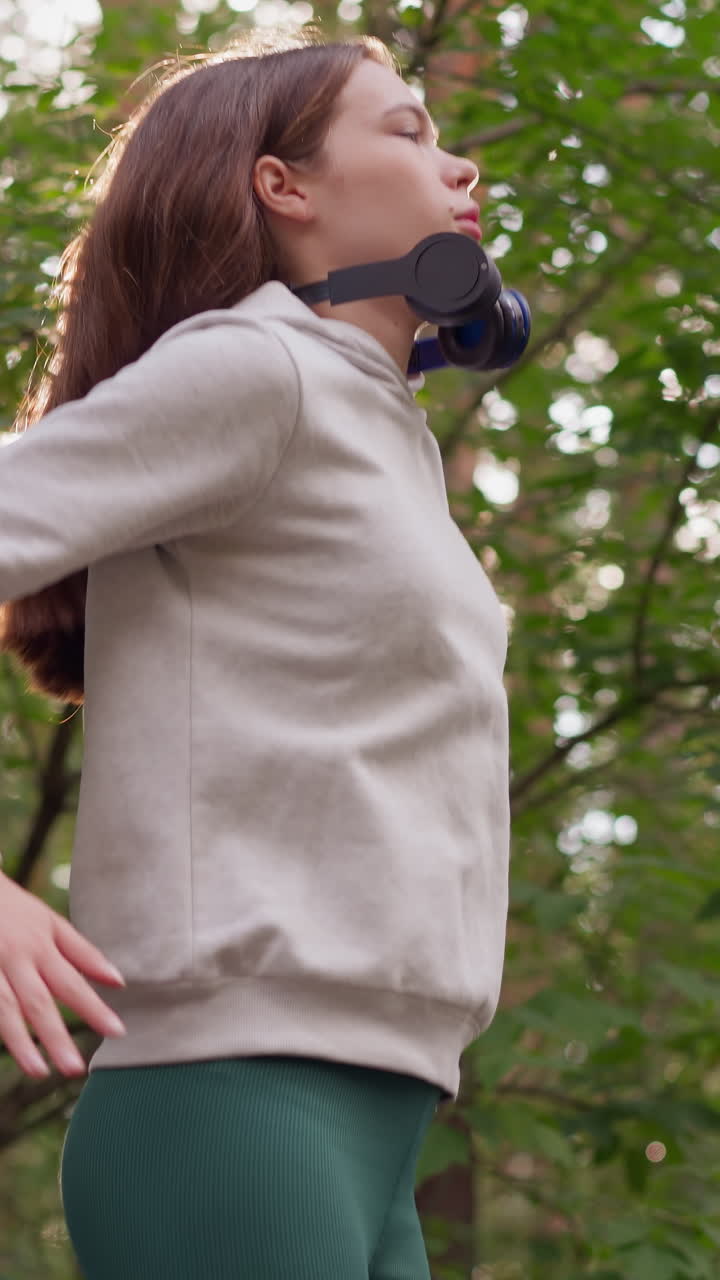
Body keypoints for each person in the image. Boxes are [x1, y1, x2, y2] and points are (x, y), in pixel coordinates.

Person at [0, 25, 510, 1280]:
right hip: (233, 1098)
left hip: (383, 1107)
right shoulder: (258, 369)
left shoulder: (369, 418)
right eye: (408, 128)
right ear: (282, 186)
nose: (462, 169)